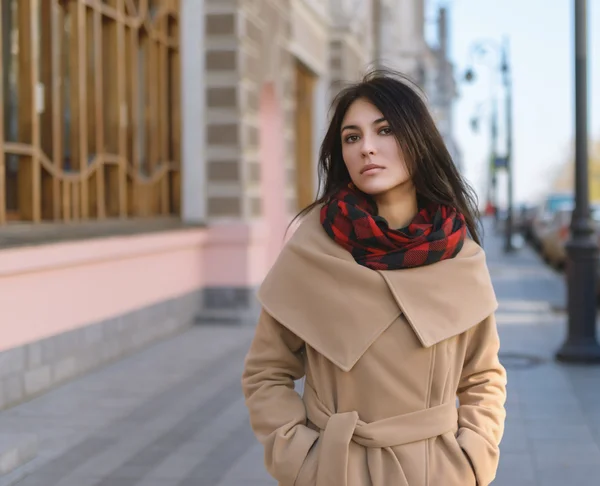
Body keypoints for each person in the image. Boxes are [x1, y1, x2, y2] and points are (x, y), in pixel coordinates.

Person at [241, 70, 507, 486]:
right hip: (338, 470)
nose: (366, 148)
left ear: (418, 139)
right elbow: (265, 373)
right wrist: (300, 462)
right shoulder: (311, 250)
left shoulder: (460, 255)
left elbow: (483, 376)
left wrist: (473, 459)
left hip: (438, 473)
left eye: (384, 130)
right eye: (351, 137)